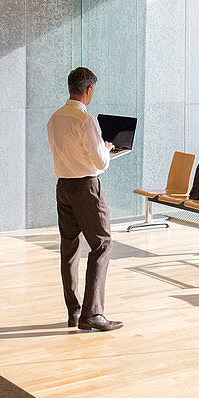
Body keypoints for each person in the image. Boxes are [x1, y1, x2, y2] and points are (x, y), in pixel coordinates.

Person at [45, 67, 124, 332]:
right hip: (87, 188)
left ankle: (74, 311)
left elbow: (66, 152)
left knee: (69, 248)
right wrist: (105, 148)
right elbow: (100, 162)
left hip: (63, 187)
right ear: (89, 90)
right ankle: (93, 314)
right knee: (102, 244)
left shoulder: (55, 118)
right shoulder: (86, 120)